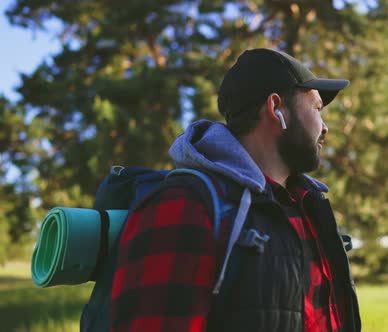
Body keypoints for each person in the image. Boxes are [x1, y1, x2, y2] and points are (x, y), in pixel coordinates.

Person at [109, 48, 361, 332]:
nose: (325, 127)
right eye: (316, 108)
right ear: (276, 108)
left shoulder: (308, 205)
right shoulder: (185, 205)